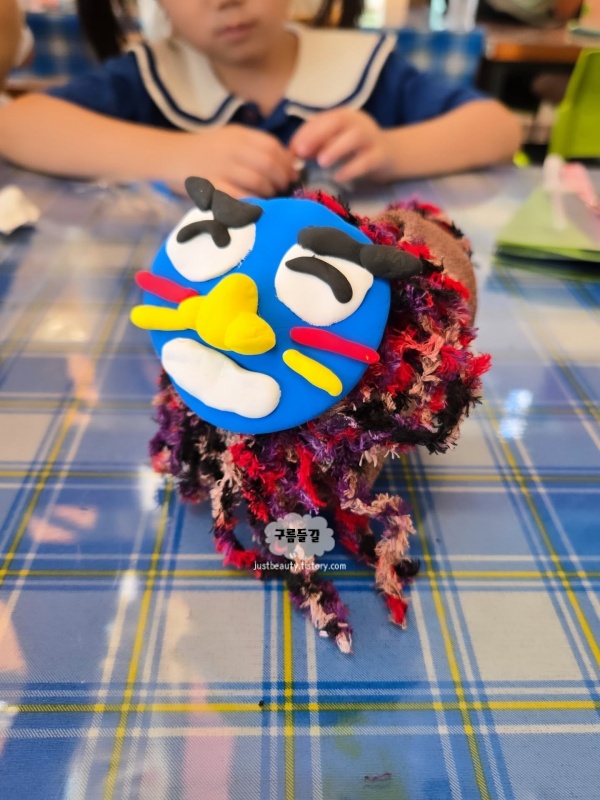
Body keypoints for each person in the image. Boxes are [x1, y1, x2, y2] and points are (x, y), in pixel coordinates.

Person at [0, 0, 522, 198]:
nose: (225, 1)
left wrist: (392, 150)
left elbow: (498, 128)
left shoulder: (364, 65)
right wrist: (175, 156)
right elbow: (19, 126)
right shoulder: (148, 75)